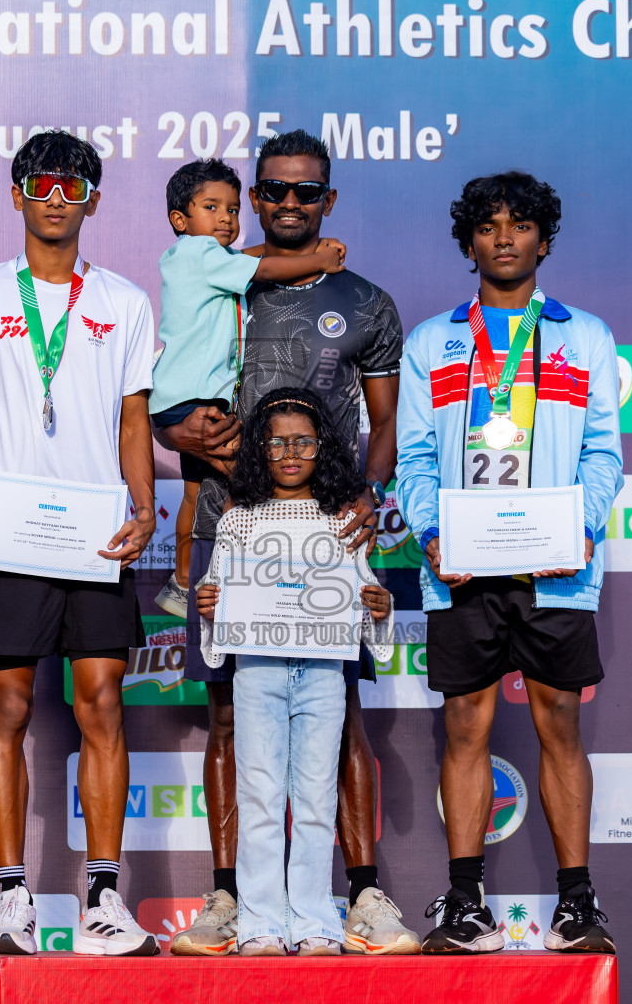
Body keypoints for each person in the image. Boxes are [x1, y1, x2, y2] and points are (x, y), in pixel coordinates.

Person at [157, 130, 416, 957]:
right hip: (230, 533)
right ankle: (232, 900)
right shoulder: (216, 276)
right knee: (229, 721)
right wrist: (183, 438)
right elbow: (172, 406)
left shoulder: (369, 303)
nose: (291, 204)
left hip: (325, 541)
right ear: (255, 198)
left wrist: (371, 498)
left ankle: (362, 895)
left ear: (329, 199)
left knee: (340, 727)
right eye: (274, 190)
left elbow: (387, 425)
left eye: (308, 192)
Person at [0, 131, 159, 957]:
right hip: (9, 536)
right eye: (43, 182)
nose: (58, 196)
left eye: (75, 184)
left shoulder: (127, 302)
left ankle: (103, 897)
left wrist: (144, 506)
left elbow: (135, 420)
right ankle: (12, 901)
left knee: (101, 704)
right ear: (17, 193)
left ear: (94, 200)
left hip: (94, 537)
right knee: (8, 708)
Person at [396, 171, 622, 955]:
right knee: (466, 726)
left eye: (519, 225)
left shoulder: (584, 335)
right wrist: (431, 533)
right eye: (487, 225)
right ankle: (465, 904)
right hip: (462, 566)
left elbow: (603, 450)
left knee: (560, 721)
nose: (503, 237)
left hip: (558, 566)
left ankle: (576, 904)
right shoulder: (433, 341)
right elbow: (416, 455)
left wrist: (584, 524)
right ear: (468, 243)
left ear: (543, 240)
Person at [195, 388, 394, 956]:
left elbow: (365, 590)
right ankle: (258, 922)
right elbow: (216, 591)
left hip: (324, 672)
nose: (289, 452)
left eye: (303, 441)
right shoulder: (237, 522)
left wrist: (379, 606)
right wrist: (212, 607)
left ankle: (313, 921)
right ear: (259, 449)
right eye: (276, 441)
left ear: (323, 447)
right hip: (256, 669)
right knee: (258, 794)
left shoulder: (340, 521)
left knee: (313, 797)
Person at [149, 158, 347, 618]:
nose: (226, 218)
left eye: (233, 209)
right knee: (251, 475)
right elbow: (260, 270)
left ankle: (181, 583)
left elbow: (247, 258)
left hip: (179, 400)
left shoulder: (195, 258)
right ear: (180, 220)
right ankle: (250, 569)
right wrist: (319, 259)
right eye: (211, 207)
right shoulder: (200, 256)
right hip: (195, 400)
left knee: (196, 494)